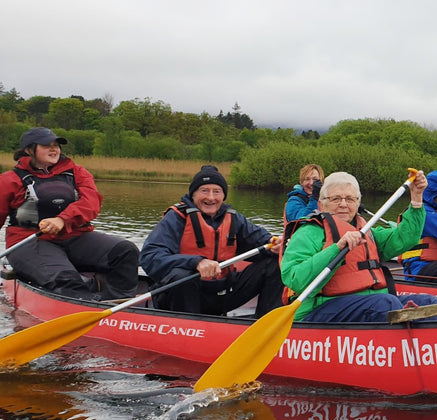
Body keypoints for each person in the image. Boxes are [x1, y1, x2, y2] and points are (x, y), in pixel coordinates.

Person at [280, 170, 437, 323]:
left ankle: (435, 348)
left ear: (358, 203)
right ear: (322, 204)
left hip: (371, 304)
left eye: (350, 199)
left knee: (431, 303)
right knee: (386, 303)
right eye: (336, 199)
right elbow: (294, 279)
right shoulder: (308, 232)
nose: (343, 204)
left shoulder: (367, 231)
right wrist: (336, 248)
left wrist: (417, 198)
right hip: (320, 308)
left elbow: (406, 238)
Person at [0, 127, 140, 300]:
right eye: (46, 145)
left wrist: (62, 219)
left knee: (126, 251)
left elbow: (91, 202)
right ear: (29, 150)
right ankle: (84, 301)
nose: (54, 149)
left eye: (56, 145)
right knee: (65, 278)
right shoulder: (9, 180)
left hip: (75, 237)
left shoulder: (77, 172)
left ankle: (117, 304)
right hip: (28, 242)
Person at [140, 165, 284, 316]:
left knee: (275, 262)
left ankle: (267, 325)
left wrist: (274, 243)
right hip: (183, 295)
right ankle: (187, 327)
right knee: (182, 277)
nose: (211, 197)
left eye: (217, 192)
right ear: (193, 195)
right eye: (204, 191)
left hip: (222, 292)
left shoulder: (234, 218)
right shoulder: (176, 218)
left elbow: (261, 240)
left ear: (223, 196)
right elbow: (150, 256)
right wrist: (196, 262)